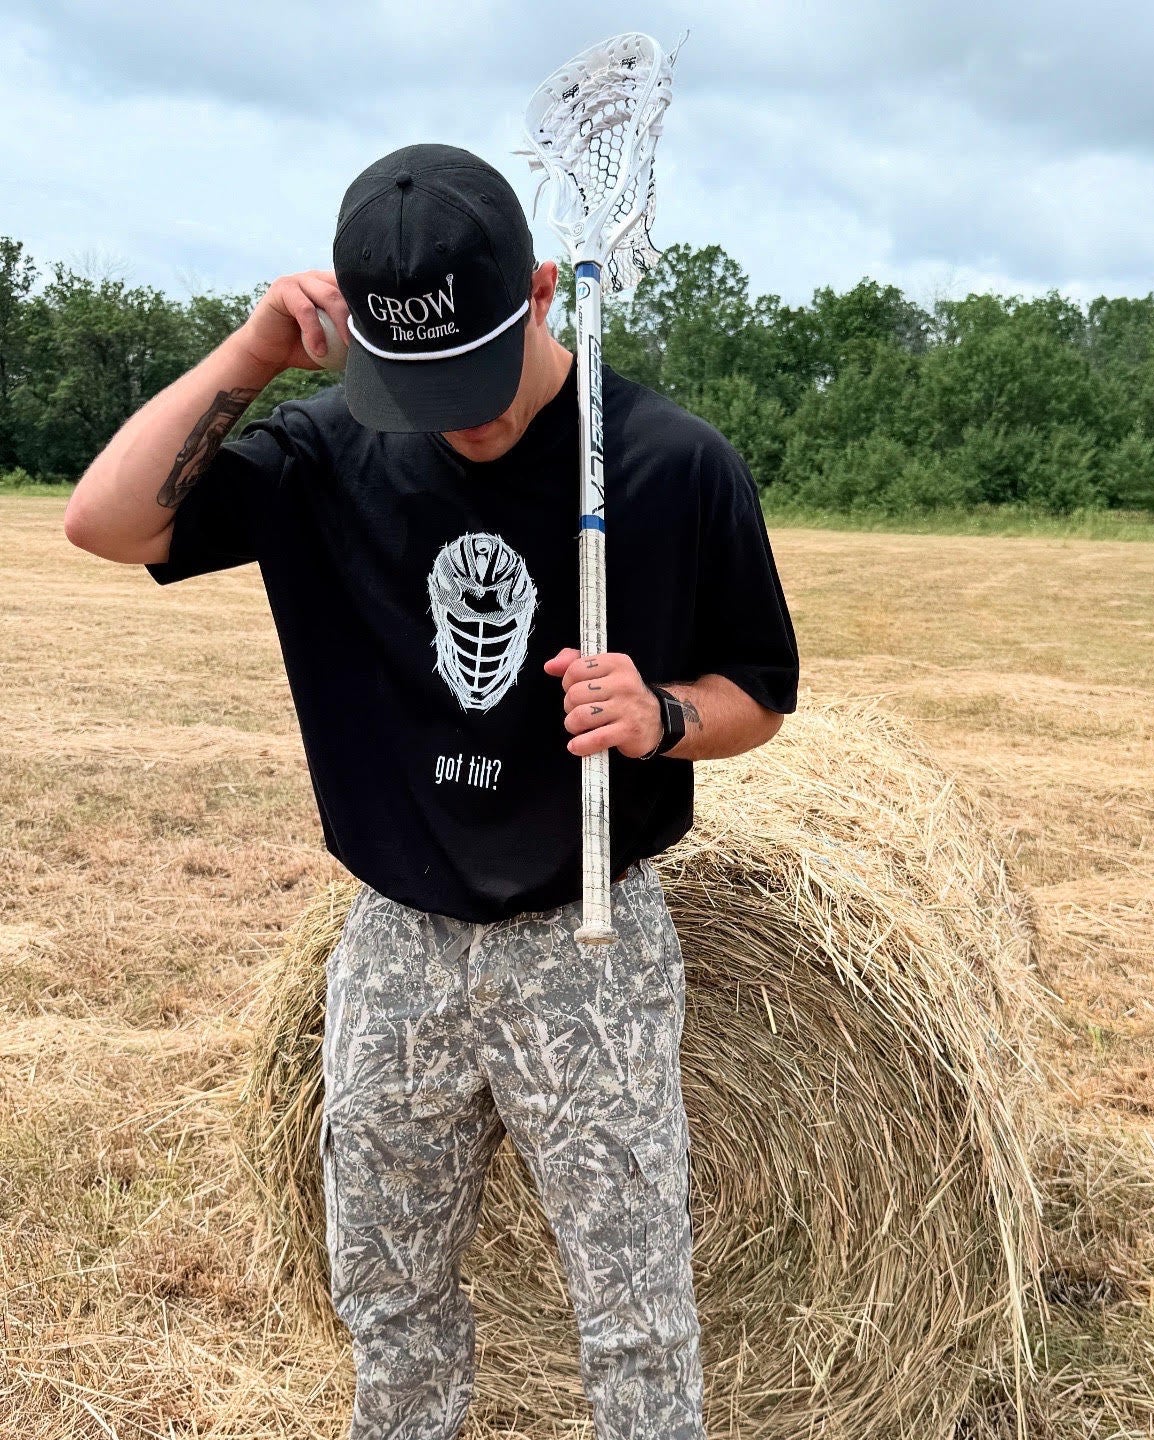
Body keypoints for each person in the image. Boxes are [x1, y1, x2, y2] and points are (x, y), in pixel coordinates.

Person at [63, 143, 799, 1440]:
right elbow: (106, 524)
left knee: (635, 1319)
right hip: (396, 946)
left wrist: (662, 716)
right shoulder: (333, 451)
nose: (462, 420)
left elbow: (762, 690)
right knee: (389, 1303)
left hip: (588, 944)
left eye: (477, 375)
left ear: (543, 291)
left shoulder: (668, 463)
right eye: (422, 387)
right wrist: (256, 352)